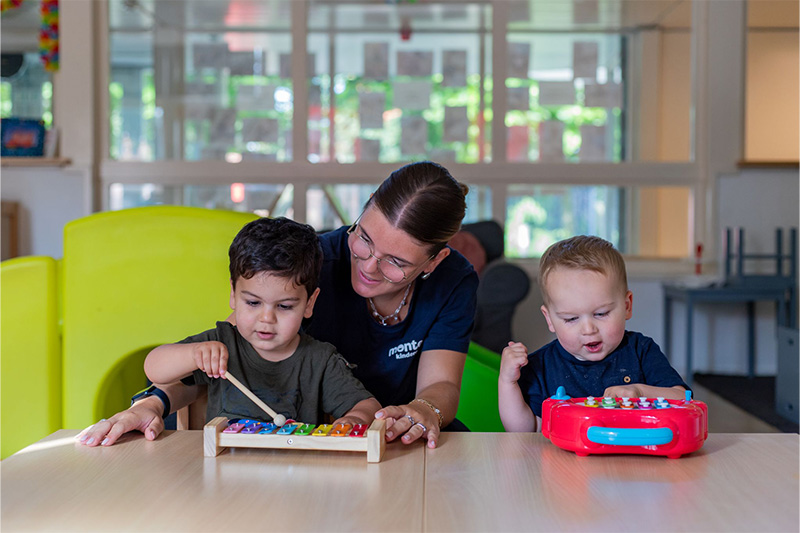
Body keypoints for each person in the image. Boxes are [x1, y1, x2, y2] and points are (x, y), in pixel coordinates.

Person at [79, 161, 478, 448]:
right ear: (366, 205)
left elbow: (439, 386)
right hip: (299, 444)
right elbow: (220, 361)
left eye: (396, 262)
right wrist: (152, 402)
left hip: (395, 440)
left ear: (433, 261)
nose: (369, 266)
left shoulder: (453, 280)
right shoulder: (304, 267)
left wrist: (422, 411)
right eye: (365, 239)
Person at [142, 216, 380, 427]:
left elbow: (368, 406)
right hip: (222, 473)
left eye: (285, 306)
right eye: (253, 303)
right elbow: (154, 368)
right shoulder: (223, 343)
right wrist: (194, 355)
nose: (267, 319)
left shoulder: (319, 360)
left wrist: (354, 420)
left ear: (309, 303)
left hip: (295, 475)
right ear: (234, 294)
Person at [498, 235, 688, 432]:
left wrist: (640, 391)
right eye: (571, 319)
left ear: (627, 306)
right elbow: (525, 431)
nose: (589, 330)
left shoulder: (641, 351)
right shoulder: (541, 366)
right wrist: (507, 382)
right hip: (564, 462)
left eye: (601, 314)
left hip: (634, 459)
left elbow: (683, 399)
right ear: (550, 319)